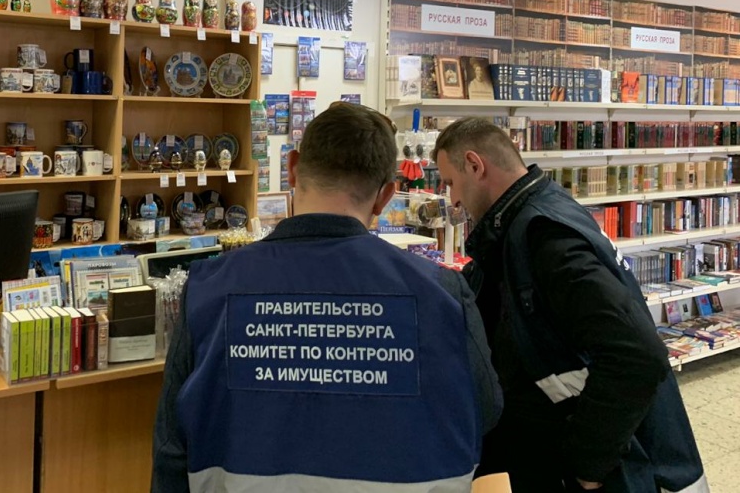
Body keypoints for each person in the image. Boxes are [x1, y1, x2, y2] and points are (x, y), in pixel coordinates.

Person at [152, 102, 502, 493]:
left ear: (292, 167)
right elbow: (486, 410)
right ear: (386, 195)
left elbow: (172, 451)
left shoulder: (207, 288)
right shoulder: (443, 293)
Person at [433, 117, 707, 493]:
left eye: (450, 183)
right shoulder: (526, 218)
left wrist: (587, 464)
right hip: (550, 447)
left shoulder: (546, 238)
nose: (453, 200)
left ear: (475, 165)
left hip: (611, 465)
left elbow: (637, 355)